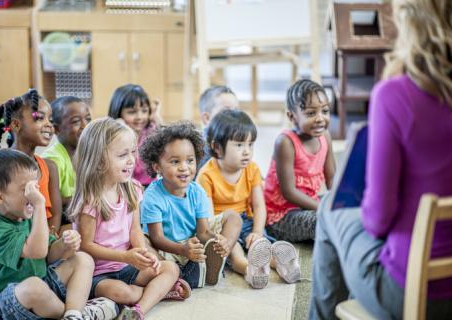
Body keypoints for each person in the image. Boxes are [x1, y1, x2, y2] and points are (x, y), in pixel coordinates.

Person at [309, 0, 452, 319]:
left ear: (411, 24)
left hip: (408, 292)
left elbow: (378, 219)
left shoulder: (396, 94)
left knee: (330, 209)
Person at [0, 149, 118, 320]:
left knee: (83, 259)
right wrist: (40, 205)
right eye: (27, 190)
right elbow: (37, 251)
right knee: (34, 287)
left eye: (36, 187)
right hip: (4, 306)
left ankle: (73, 315)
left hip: (42, 291)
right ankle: (82, 314)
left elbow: (49, 254)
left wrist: (64, 244)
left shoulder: (25, 214)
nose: (36, 194)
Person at [68, 118, 185, 320]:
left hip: (127, 266)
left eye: (132, 152)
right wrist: (125, 257)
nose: (131, 160)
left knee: (170, 268)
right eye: (123, 155)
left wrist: (142, 253)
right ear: (99, 161)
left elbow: (135, 231)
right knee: (123, 293)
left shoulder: (133, 189)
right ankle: (156, 293)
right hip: (98, 273)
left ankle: (138, 311)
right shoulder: (91, 200)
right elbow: (86, 246)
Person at [197, 109, 300, 289]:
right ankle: (249, 270)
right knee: (234, 250)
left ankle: (284, 266)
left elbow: (259, 205)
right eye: (239, 145)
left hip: (246, 218)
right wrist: (221, 238)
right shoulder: (206, 175)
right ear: (217, 147)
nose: (247, 152)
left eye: (250, 144)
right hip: (223, 225)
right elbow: (208, 217)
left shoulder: (251, 168)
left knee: (261, 243)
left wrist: (257, 231)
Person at [139, 121, 242, 288]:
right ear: (157, 167)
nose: (184, 168)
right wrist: (181, 250)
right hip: (168, 249)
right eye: (175, 162)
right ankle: (175, 274)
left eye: (190, 160)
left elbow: (203, 232)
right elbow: (157, 238)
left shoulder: (197, 191)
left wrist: (219, 240)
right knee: (142, 241)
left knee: (233, 217)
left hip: (195, 244)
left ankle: (219, 255)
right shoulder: (152, 196)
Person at [263, 79, 335, 242]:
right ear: (292, 116)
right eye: (311, 113)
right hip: (282, 216)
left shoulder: (325, 136)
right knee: (325, 221)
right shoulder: (285, 143)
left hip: (310, 203)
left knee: (349, 210)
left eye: (325, 111)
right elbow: (289, 192)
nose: (320, 118)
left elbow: (331, 179)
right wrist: (324, 208)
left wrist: (341, 200)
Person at [0, 89, 62, 234]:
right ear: (16, 125)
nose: (49, 124)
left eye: (51, 119)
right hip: (13, 244)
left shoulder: (49, 167)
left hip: (44, 243)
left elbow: (55, 214)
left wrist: (48, 242)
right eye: (40, 118)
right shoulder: (0, 167)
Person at [42, 96, 92, 230]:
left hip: (82, 213)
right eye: (76, 121)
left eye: (88, 119)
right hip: (60, 221)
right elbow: (51, 203)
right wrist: (88, 198)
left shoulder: (90, 153)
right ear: (56, 129)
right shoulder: (52, 160)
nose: (85, 126)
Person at [108, 84, 162, 188]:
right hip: (125, 187)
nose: (140, 117)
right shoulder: (112, 135)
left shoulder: (150, 130)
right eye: (132, 112)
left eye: (145, 111)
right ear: (118, 113)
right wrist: (117, 132)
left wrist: (156, 117)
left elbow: (167, 141)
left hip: (150, 187)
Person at [197, 85, 239, 171]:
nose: (234, 116)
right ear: (207, 118)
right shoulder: (198, 150)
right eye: (226, 112)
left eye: (236, 111)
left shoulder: (239, 143)